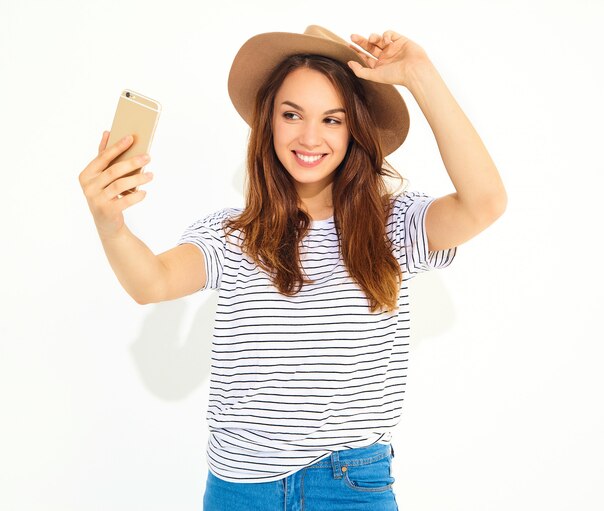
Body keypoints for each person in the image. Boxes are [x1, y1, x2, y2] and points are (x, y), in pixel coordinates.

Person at [79, 25, 506, 511]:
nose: (309, 136)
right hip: (241, 488)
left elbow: (485, 202)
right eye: (291, 114)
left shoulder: (394, 225)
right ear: (269, 123)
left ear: (354, 131)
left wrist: (421, 75)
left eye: (332, 120)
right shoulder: (232, 234)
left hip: (350, 484)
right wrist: (110, 223)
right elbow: (151, 282)